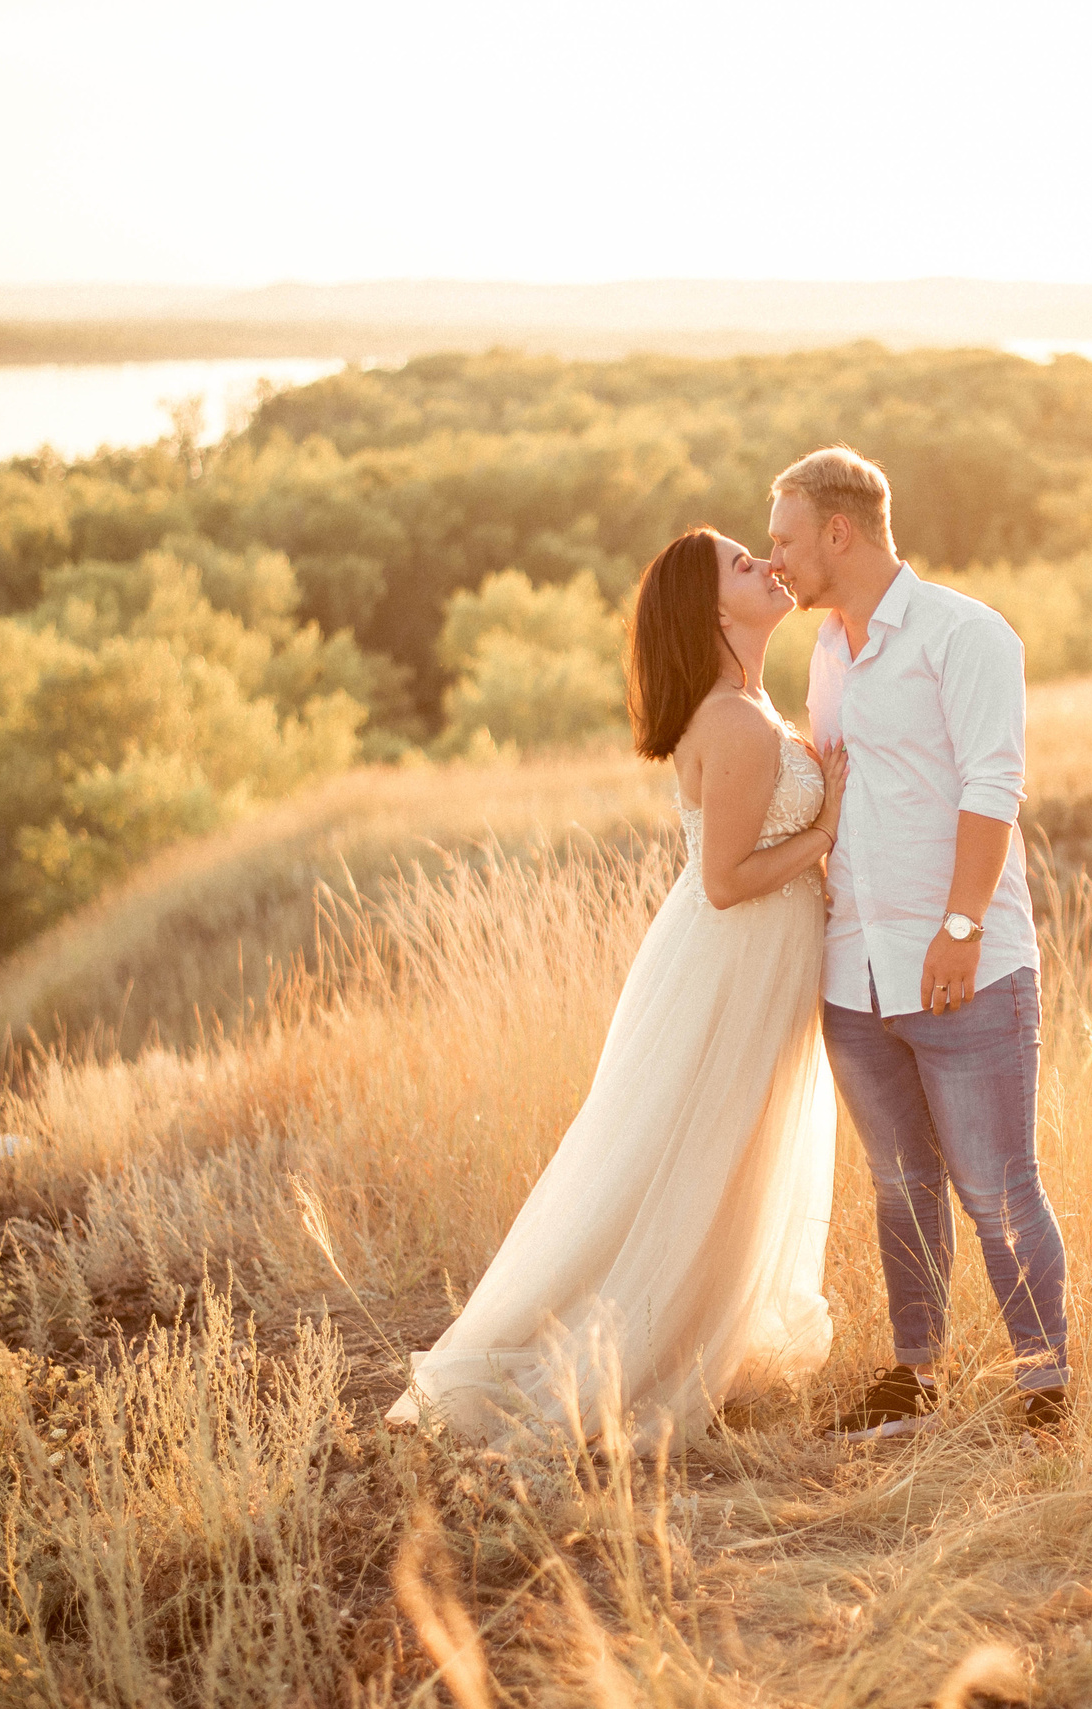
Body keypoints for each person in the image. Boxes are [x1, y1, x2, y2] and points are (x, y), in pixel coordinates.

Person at [384, 526, 847, 1451]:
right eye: (742, 565)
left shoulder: (753, 705)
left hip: (753, 962)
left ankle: (699, 1334)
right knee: (688, 1152)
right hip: (732, 962)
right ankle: (628, 1355)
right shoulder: (736, 720)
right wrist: (826, 827)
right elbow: (725, 879)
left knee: (726, 1157)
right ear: (714, 610)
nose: (765, 565)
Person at [766, 446, 1072, 1442]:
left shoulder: (964, 633)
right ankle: (915, 1373)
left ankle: (1044, 1382)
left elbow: (993, 787)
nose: (776, 562)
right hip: (852, 968)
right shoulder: (825, 652)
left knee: (995, 1184)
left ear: (838, 532)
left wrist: (958, 927)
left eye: (785, 540)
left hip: (964, 965)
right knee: (900, 1184)